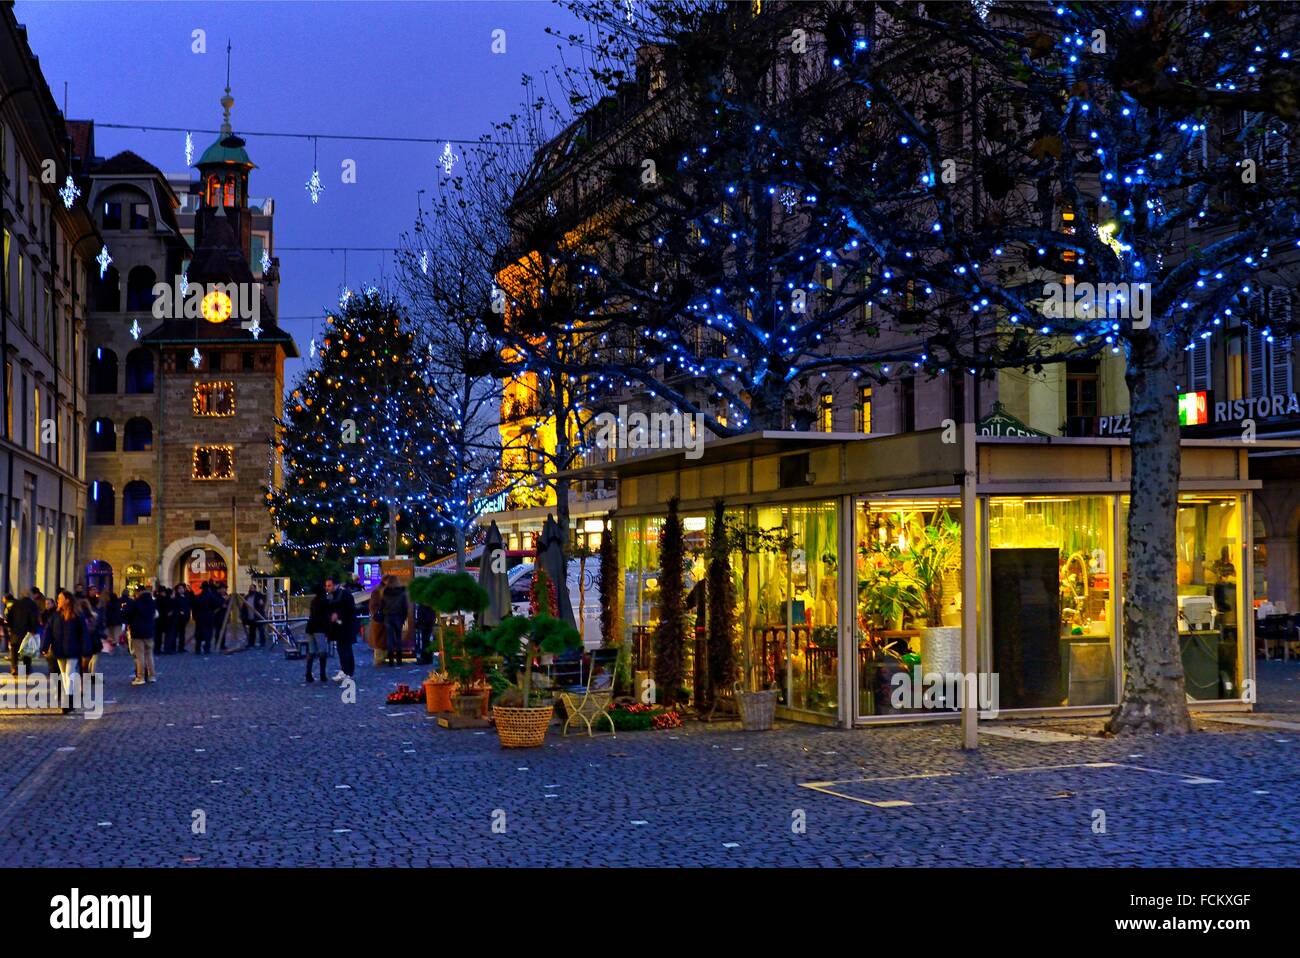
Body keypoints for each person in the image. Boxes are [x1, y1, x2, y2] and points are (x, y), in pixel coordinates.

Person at [41, 591, 88, 703]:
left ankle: (68, 698)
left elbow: (84, 634)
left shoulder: (77, 615)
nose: (58, 600)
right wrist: (45, 646)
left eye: (60, 598)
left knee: (69, 673)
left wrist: (86, 650)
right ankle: (69, 697)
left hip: (73, 650)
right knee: (64, 674)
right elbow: (49, 631)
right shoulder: (55, 616)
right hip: (59, 650)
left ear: (67, 600)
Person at [325, 577, 357, 681]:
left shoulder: (345, 594)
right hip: (340, 627)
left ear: (335, 585)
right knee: (343, 649)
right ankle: (346, 671)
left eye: (329, 585)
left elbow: (350, 610)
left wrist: (338, 615)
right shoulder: (333, 596)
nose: (327, 588)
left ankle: (346, 671)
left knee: (344, 649)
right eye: (326, 586)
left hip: (346, 626)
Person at [124, 586, 157, 685]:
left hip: (137, 632)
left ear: (139, 593)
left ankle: (140, 677)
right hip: (149, 631)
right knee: (149, 655)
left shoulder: (135, 603)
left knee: (140, 656)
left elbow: (128, 615)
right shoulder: (152, 603)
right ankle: (152, 676)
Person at [6, 587, 40, 676]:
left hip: (15, 632)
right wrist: (33, 630)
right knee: (27, 651)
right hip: (27, 632)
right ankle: (26, 669)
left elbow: (9, 617)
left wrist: (10, 628)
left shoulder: (15, 604)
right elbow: (34, 619)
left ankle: (14, 667)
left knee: (14, 650)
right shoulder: (33, 604)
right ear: (30, 595)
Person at [303, 586, 331, 683]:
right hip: (320, 628)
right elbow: (326, 617)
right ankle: (322, 674)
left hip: (311, 627)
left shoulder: (314, 601)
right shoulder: (325, 601)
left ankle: (308, 673)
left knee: (311, 651)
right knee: (322, 651)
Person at [381, 575, 410, 667]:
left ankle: (390, 660)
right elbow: (405, 607)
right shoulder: (402, 592)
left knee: (390, 638)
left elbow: (382, 606)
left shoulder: (385, 592)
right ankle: (399, 660)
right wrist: (404, 618)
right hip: (398, 617)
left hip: (388, 617)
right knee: (398, 638)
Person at [193, 582, 216, 655]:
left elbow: (194, 608)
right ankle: (206, 648)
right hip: (208, 617)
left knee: (199, 634)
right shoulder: (211, 597)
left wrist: (195, 617)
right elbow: (216, 604)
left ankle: (198, 649)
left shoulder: (198, 597)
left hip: (200, 618)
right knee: (208, 634)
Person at [415, 599, 435, 666]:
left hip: (425, 623)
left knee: (425, 641)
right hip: (428, 622)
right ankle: (428, 658)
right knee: (426, 641)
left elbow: (421, 614)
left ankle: (425, 658)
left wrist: (418, 623)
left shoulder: (422, 604)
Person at [155, 586, 175, 655]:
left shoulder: (158, 599)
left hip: (160, 620)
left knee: (159, 636)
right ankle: (166, 649)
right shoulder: (167, 599)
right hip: (166, 620)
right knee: (167, 636)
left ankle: (158, 649)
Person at [173, 585, 191, 653]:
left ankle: (181, 648)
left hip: (184, 619)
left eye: (182, 588)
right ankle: (173, 647)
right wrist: (180, 612)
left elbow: (188, 605)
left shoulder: (186, 596)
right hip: (178, 618)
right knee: (175, 633)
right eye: (180, 588)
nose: (181, 589)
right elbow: (175, 607)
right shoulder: (176, 597)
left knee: (182, 634)